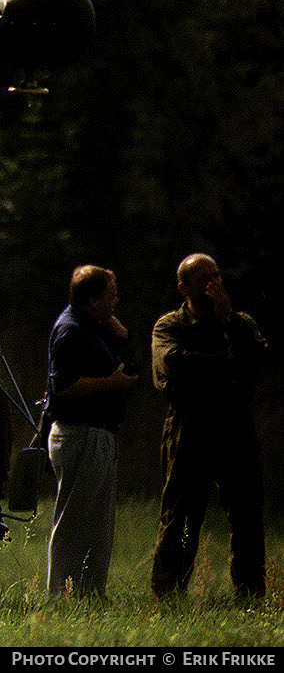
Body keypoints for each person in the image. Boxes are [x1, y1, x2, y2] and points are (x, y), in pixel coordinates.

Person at [150, 254, 269, 601]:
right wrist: (222, 360)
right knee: (183, 516)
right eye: (203, 279)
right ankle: (170, 592)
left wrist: (226, 321)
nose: (211, 286)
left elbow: (257, 357)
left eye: (215, 277)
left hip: (235, 428)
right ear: (183, 287)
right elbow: (173, 366)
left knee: (246, 515)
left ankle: (250, 593)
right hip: (190, 430)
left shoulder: (238, 323)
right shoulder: (171, 326)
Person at [43, 265, 138, 598]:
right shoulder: (70, 330)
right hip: (80, 434)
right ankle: (64, 595)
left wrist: (119, 333)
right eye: (110, 295)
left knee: (97, 524)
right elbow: (64, 387)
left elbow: (123, 347)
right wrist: (111, 384)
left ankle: (90, 593)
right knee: (75, 522)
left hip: (98, 434)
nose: (116, 301)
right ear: (93, 299)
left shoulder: (93, 326)